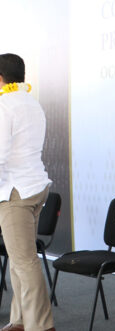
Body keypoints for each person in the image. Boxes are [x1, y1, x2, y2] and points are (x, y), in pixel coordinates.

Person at [0, 54, 55, 331]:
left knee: (23, 262)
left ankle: (41, 326)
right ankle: (20, 320)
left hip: (16, 193)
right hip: (35, 188)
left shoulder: (3, 104)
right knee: (19, 258)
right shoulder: (32, 103)